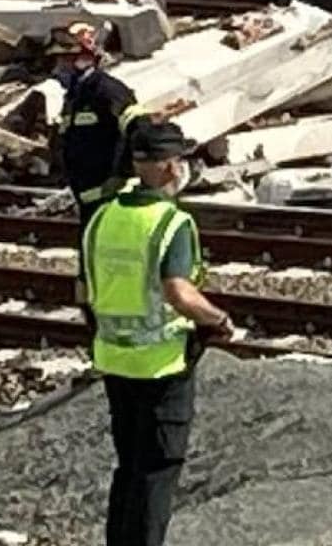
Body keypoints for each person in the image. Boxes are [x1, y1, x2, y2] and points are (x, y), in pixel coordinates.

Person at [80, 117, 234, 546]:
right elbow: (179, 292)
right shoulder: (170, 223)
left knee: (128, 466)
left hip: (113, 358)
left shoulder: (101, 218)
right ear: (170, 166)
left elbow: (82, 290)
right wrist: (218, 320)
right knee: (158, 470)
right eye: (181, 159)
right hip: (162, 364)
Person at [51, 21, 142, 229]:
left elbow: (138, 131)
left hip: (114, 199)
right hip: (88, 198)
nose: (58, 67)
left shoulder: (109, 92)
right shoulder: (75, 97)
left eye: (65, 60)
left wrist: (121, 175)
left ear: (85, 58)